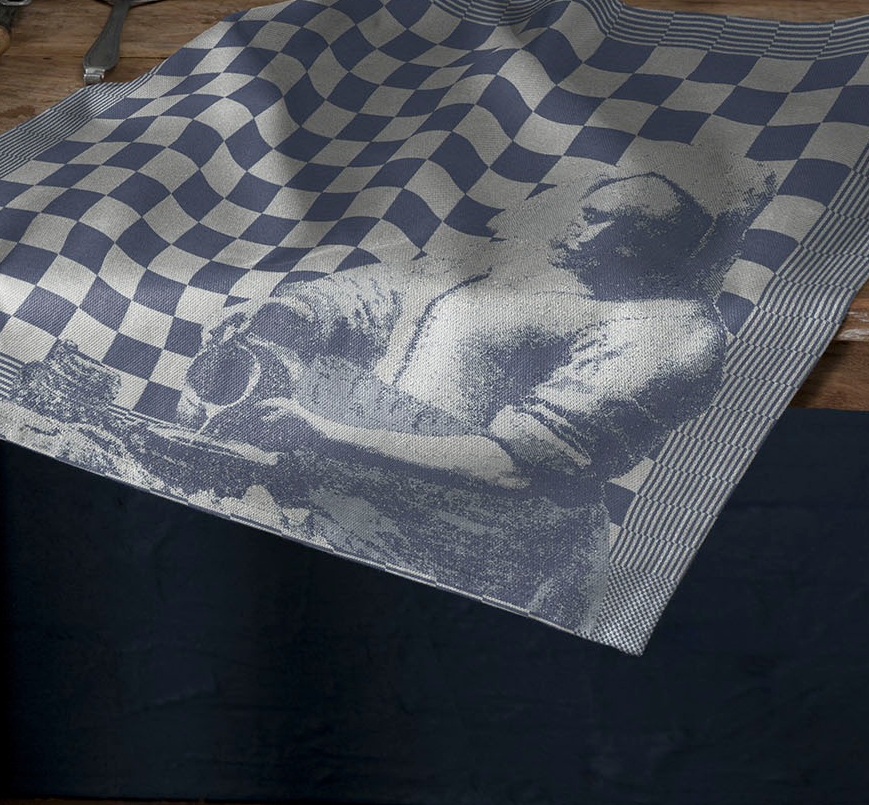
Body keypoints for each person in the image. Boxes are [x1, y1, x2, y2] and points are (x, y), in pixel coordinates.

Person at [177, 172, 755, 627]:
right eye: (588, 210)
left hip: (489, 547)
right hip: (365, 489)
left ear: (655, 246)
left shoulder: (671, 333)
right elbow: (380, 291)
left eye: (611, 222)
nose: (582, 224)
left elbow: (513, 468)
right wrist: (283, 319)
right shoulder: (532, 261)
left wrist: (321, 434)